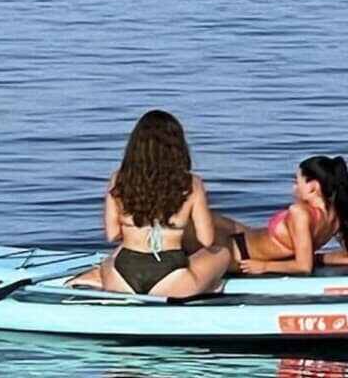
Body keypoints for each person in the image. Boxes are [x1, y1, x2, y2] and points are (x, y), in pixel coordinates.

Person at [68, 109, 231, 296]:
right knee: (222, 253)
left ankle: (101, 276)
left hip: (122, 276)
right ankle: (204, 286)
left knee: (110, 259)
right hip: (171, 276)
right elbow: (207, 240)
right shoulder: (192, 184)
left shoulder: (118, 179)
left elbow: (112, 235)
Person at [205, 156, 348, 275]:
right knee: (207, 217)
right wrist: (313, 258)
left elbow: (303, 267)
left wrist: (265, 267)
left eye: (297, 181)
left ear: (313, 187)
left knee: (190, 226)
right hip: (244, 236)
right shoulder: (336, 216)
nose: (294, 188)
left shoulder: (300, 213)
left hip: (239, 253)